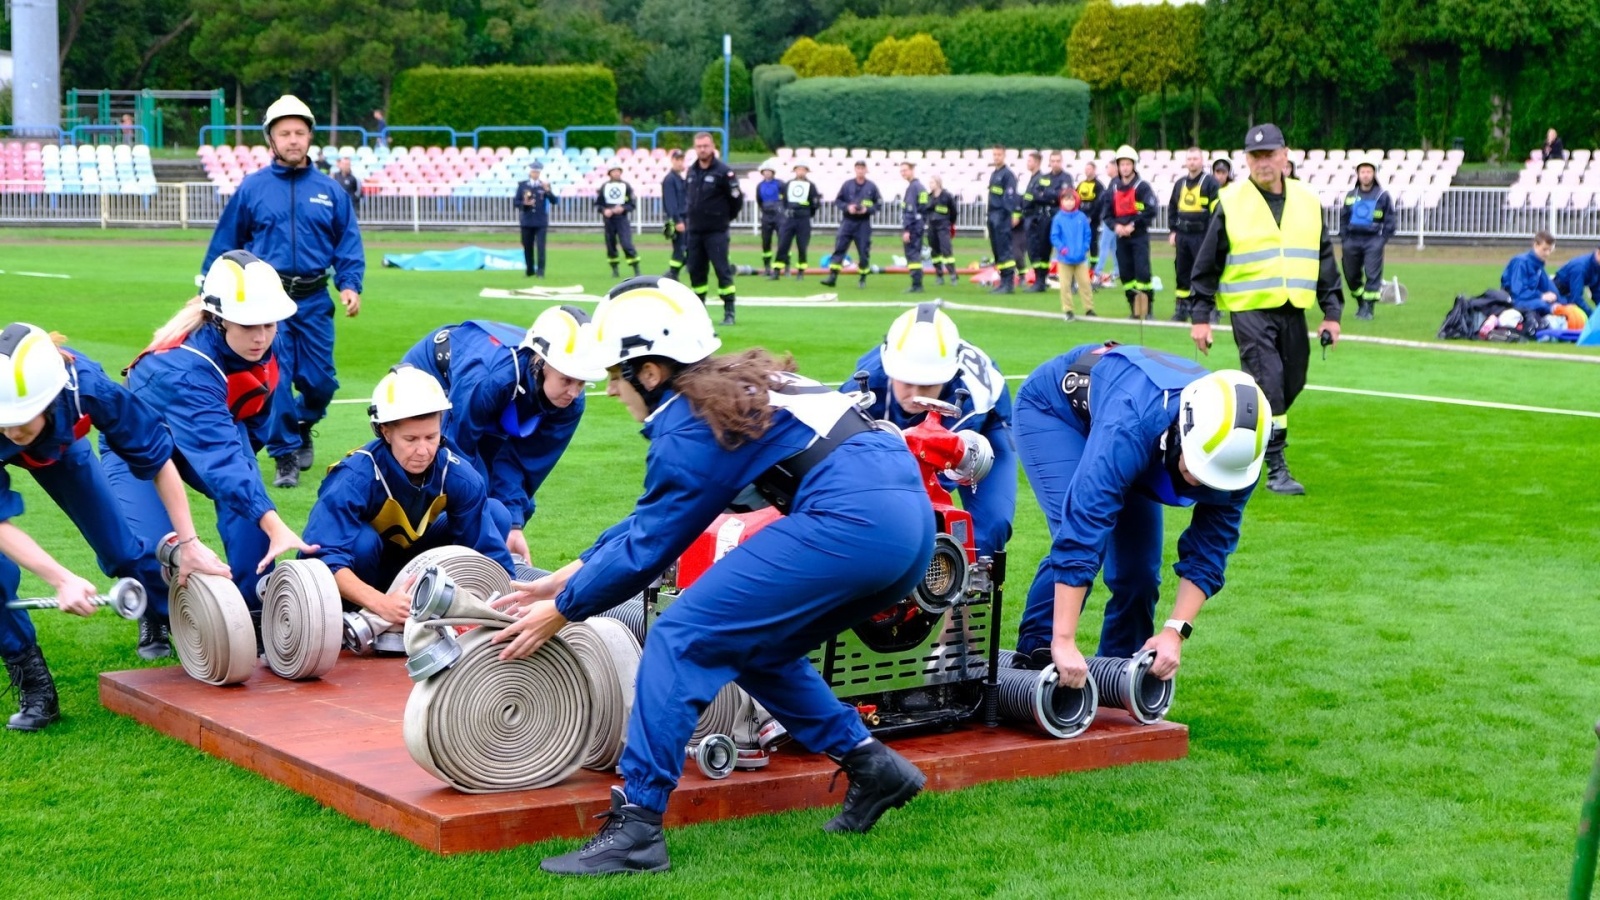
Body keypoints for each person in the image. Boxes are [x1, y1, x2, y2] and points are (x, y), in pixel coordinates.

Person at [490, 276, 933, 875]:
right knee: (756, 649)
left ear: (651, 370)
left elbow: (649, 549)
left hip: (853, 524)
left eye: (619, 376)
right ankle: (871, 764)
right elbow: (654, 521)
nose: (614, 392)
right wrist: (564, 579)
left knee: (682, 636)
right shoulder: (729, 389)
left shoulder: (690, 422)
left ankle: (638, 827)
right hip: (907, 529)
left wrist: (563, 609)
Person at [0, 324, 232, 728]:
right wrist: (60, 579)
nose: (12, 430)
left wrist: (190, 542)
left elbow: (156, 458)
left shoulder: (87, 387)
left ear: (52, 399)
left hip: (62, 448)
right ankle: (33, 679)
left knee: (122, 549)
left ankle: (160, 612)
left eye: (23, 418)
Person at [1010, 343, 1268, 687]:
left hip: (1128, 429)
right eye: (1196, 470)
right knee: (1083, 540)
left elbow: (1210, 551)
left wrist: (1175, 632)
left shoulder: (1238, 460)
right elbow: (1083, 527)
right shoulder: (1135, 421)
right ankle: (1036, 655)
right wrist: (1065, 640)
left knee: (1139, 575)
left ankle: (1118, 678)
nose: (1200, 484)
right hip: (1056, 413)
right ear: (1183, 432)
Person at [107, 251, 319, 628]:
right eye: (248, 325)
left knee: (248, 505)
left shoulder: (269, 337)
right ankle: (158, 614)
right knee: (149, 547)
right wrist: (273, 522)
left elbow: (256, 413)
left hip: (208, 430)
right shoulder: (186, 369)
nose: (261, 336)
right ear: (219, 319)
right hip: (136, 448)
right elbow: (219, 460)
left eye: (268, 324)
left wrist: (254, 495)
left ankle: (254, 611)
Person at [203, 95, 365, 490]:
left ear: (310, 136)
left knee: (321, 382)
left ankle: (305, 423)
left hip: (313, 299)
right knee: (275, 380)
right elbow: (226, 243)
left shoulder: (331, 191)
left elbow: (348, 242)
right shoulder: (252, 189)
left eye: (299, 132)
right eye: (284, 133)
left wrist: (350, 284)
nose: (293, 140)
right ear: (271, 140)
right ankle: (285, 454)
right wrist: (208, 291)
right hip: (265, 305)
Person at [1188, 123, 1345, 496]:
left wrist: (1332, 312)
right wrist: (1200, 316)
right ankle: (1275, 467)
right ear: (1246, 160)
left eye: (1270, 154)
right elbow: (1207, 262)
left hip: (1293, 308)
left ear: (1284, 155)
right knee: (1269, 381)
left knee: (1292, 382)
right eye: (1255, 156)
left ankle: (1240, 439)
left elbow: (1323, 257)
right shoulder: (1230, 201)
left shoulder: (1307, 199)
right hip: (1249, 310)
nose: (1263, 162)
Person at [301, 367, 515, 624]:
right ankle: (355, 617)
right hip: (363, 569)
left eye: (431, 436)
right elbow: (321, 556)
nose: (423, 450)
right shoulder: (354, 477)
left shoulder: (457, 474)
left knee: (496, 514)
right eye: (411, 439)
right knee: (363, 542)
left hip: (413, 563)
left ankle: (434, 603)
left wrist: (511, 604)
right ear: (385, 432)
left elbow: (491, 554)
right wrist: (381, 603)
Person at [398, 306, 603, 563]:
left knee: (506, 509)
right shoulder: (489, 378)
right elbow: (458, 447)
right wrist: (486, 526)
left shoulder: (571, 403)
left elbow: (525, 466)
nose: (573, 392)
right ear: (540, 362)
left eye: (581, 383)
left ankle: (482, 564)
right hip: (434, 376)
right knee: (447, 474)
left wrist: (514, 525)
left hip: (501, 394)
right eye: (566, 380)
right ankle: (421, 558)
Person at [846, 303, 1015, 558]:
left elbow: (932, 484)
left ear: (947, 377)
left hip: (984, 427)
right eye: (907, 382)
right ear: (889, 369)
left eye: (927, 385)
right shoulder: (863, 385)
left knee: (991, 526)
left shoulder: (969, 398)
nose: (915, 395)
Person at [684, 131, 742, 326]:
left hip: (716, 231)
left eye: (705, 146)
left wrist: (723, 219)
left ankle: (729, 312)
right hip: (695, 232)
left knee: (721, 269)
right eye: (699, 146)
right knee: (696, 272)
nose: (702, 149)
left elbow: (736, 200)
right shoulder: (691, 171)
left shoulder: (724, 172)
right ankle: (699, 313)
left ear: (712, 147)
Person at [1340, 154, 1396, 321]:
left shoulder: (1383, 195)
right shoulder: (1351, 195)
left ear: (1374, 174)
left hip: (1373, 240)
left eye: (1368, 171)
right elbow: (1343, 218)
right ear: (1358, 174)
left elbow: (1390, 220)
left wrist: (1382, 239)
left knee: (1373, 275)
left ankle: (1369, 309)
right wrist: (1345, 238)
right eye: (1362, 171)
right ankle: (1361, 302)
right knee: (1350, 275)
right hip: (1352, 240)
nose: (1365, 175)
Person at [1167, 147, 1220, 323]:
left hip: (1202, 236)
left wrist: (1212, 236)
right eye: (1189, 159)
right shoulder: (1180, 184)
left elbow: (1217, 211)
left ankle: (1210, 310)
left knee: (1204, 272)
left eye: (1195, 159)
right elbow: (1172, 208)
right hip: (1183, 236)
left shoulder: (1210, 183)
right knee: (1181, 272)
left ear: (1202, 161)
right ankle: (1182, 309)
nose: (1192, 162)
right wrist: (1173, 230)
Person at [1108, 145, 1158, 318]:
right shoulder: (1113, 187)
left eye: (1128, 164)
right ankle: (1134, 309)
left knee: (1143, 273)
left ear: (1134, 165)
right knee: (1126, 275)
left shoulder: (1142, 187)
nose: (1125, 168)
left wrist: (1133, 225)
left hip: (1139, 237)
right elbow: (1106, 213)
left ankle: (1148, 310)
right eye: (1122, 164)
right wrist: (1116, 226)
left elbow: (1150, 210)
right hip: (1121, 238)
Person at [821, 161, 881, 289]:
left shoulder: (871, 187)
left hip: (863, 223)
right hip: (848, 221)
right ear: (855, 170)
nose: (860, 171)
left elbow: (878, 204)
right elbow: (838, 201)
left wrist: (867, 210)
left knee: (864, 252)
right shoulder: (847, 185)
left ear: (866, 170)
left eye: (862, 168)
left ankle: (863, 278)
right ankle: (832, 277)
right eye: (858, 168)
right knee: (839, 248)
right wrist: (848, 207)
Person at [1023, 151, 1066, 293]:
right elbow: (1035, 194)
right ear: (1049, 162)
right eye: (1053, 161)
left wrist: (1046, 195)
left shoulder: (1066, 178)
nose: (1055, 163)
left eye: (1058, 160)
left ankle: (1071, 282)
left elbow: (1063, 195)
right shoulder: (1045, 178)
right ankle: (1040, 281)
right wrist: (1051, 196)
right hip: (1045, 219)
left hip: (1060, 218)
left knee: (1065, 249)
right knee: (1042, 250)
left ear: (1061, 161)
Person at [1050, 191, 1094, 320]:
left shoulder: (1081, 217)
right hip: (1064, 259)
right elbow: (1054, 236)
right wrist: (1062, 248)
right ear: (1061, 202)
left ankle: (1089, 308)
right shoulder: (1058, 218)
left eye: (1071, 200)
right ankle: (1068, 310)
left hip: (1080, 258)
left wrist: (1085, 247)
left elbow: (1088, 234)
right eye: (1066, 200)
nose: (1069, 202)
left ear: (1076, 201)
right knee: (1065, 285)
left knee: (1085, 283)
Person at [773, 164, 821, 281]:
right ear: (795, 171)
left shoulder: (811, 186)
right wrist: (785, 212)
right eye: (799, 169)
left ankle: (800, 272)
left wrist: (807, 212)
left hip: (803, 219)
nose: (801, 172)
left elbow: (815, 203)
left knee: (802, 246)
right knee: (783, 244)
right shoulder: (788, 184)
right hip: (789, 219)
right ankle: (777, 271)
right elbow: (782, 201)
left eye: (803, 170)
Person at [1501, 231, 1560, 317]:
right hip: (1514, 301)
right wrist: (1541, 296)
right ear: (1536, 245)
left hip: (1528, 299)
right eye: (1544, 249)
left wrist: (1562, 304)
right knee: (1544, 306)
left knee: (1560, 305)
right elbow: (1518, 292)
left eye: (1550, 250)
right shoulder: (1520, 262)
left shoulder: (1539, 266)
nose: (1547, 253)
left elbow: (1550, 288)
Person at [985, 146, 1019, 294]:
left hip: (1002, 215)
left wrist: (1007, 214)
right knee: (997, 250)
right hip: (992, 214)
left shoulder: (1008, 175)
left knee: (1005, 249)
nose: (996, 157)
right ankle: (1002, 280)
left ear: (1004, 156)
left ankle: (1009, 283)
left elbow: (1010, 197)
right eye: (994, 154)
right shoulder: (994, 174)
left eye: (999, 154)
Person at [598, 165, 640, 279]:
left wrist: (623, 208)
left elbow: (632, 204)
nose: (616, 173)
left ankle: (636, 269)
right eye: (614, 171)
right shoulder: (604, 187)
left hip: (622, 219)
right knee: (610, 245)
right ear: (610, 173)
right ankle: (615, 270)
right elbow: (598, 204)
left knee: (626, 244)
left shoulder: (626, 186)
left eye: (618, 171)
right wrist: (604, 210)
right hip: (609, 220)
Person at [517, 161, 558, 279]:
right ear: (530, 172)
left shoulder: (543, 185)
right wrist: (524, 203)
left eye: (537, 172)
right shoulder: (523, 185)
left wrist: (548, 191)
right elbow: (516, 202)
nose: (535, 173)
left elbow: (554, 201)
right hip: (527, 220)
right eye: (533, 171)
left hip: (540, 221)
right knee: (527, 246)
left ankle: (540, 271)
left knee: (541, 247)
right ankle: (529, 269)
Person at [1078, 160, 1112, 287]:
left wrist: (1092, 216)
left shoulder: (1099, 186)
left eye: (1089, 169)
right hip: (1081, 218)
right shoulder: (1081, 184)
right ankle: (1081, 265)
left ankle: (1094, 267)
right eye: (1086, 169)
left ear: (1094, 170)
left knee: (1093, 241)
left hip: (1092, 219)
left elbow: (1099, 203)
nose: (1087, 171)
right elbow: (1075, 198)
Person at [922, 175, 958, 286]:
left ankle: (952, 274)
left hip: (943, 226)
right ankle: (939, 274)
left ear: (938, 183)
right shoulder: (928, 197)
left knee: (946, 250)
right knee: (935, 252)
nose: (930, 185)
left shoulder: (947, 196)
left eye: (932, 182)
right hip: (932, 227)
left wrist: (950, 223)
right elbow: (924, 210)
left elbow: (954, 211)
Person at [899, 161, 929, 294]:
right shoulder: (920, 187)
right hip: (919, 225)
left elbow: (910, 210)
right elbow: (923, 208)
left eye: (905, 170)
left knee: (912, 254)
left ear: (912, 170)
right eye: (901, 171)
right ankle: (917, 283)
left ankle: (916, 284)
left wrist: (907, 230)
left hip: (913, 227)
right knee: (915, 253)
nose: (903, 173)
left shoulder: (913, 188)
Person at [662, 150, 688, 280]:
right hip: (679, 219)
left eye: (682, 160)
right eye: (677, 159)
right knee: (680, 249)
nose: (680, 162)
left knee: (687, 248)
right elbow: (671, 202)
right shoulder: (670, 179)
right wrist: (677, 221)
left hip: (685, 218)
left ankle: (673, 273)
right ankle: (672, 274)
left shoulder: (680, 179)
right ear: (672, 160)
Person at [1553, 246, 1600, 316]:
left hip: (1569, 293)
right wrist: (1592, 316)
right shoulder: (1580, 268)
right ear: (1598, 253)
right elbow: (1576, 298)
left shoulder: (1596, 266)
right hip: (1557, 293)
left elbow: (1597, 293)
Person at [755, 166, 783, 276]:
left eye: (769, 171)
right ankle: (767, 267)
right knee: (766, 242)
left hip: (779, 216)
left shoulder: (780, 184)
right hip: (766, 216)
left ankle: (785, 266)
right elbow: (759, 200)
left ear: (773, 172)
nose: (767, 173)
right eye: (765, 171)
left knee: (782, 241)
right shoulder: (760, 186)